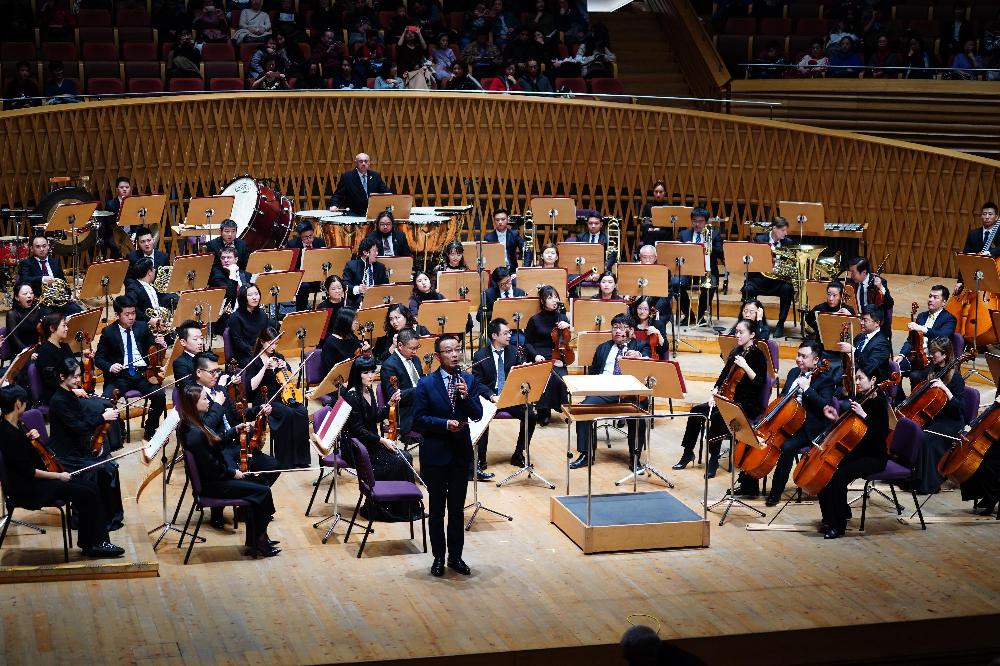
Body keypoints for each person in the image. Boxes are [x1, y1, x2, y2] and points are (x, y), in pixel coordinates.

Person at [0, 385, 124, 558]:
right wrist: (58, 475)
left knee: (91, 487)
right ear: (18, 404)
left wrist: (28, 440)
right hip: (28, 489)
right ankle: (94, 544)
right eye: (25, 402)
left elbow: (22, 457)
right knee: (87, 493)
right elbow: (29, 471)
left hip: (35, 482)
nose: (26, 405)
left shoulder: (14, 426)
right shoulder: (8, 434)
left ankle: (92, 542)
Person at [412, 334, 484, 577]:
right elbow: (418, 419)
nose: (455, 355)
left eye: (457, 349)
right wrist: (444, 424)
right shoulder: (426, 384)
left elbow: (477, 414)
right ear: (438, 356)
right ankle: (438, 557)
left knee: (456, 510)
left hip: (460, 454)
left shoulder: (469, 380)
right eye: (449, 351)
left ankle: (455, 557)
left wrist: (466, 397)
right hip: (435, 454)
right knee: (436, 510)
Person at [179, 383, 280, 556]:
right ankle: (260, 541)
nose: (208, 401)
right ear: (194, 404)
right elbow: (211, 467)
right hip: (213, 485)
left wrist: (233, 431)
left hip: (214, 479)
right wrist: (233, 472)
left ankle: (257, 539)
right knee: (263, 491)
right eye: (204, 399)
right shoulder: (194, 434)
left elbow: (214, 443)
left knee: (261, 483)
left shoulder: (192, 424)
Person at [190, 350, 281, 527]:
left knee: (273, 465)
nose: (216, 375)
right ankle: (218, 511)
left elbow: (237, 415)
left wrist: (258, 410)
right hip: (218, 449)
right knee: (234, 474)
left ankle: (250, 504)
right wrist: (217, 404)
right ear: (199, 373)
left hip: (236, 443)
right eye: (212, 372)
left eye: (218, 371)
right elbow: (206, 428)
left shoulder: (221, 390)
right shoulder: (194, 396)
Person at [674, 320, 767, 477]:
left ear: (752, 335)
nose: (737, 335)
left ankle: (714, 459)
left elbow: (759, 383)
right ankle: (688, 452)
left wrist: (745, 366)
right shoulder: (736, 351)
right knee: (696, 411)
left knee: (717, 417)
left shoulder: (758, 356)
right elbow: (724, 375)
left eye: (741, 332)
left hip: (746, 404)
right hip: (727, 399)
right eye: (736, 332)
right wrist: (715, 392)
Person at [47, 357, 124, 532]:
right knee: (104, 468)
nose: (78, 380)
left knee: (110, 466)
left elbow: (82, 418)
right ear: (62, 377)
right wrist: (102, 417)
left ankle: (109, 518)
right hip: (66, 455)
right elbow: (79, 427)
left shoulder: (68, 394)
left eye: (79, 375)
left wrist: (103, 413)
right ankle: (89, 520)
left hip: (76, 448)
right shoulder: (59, 401)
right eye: (74, 376)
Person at [756, 341, 837, 504]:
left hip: (808, 427)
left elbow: (825, 405)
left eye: (804, 356)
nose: (799, 359)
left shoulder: (825, 379)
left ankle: (776, 492)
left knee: (787, 447)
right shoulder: (794, 372)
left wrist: (807, 389)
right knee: (757, 436)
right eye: (798, 355)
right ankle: (748, 484)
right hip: (787, 422)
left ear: (816, 360)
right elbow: (783, 396)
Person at [342, 354, 419, 521]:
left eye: (372, 372)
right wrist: (382, 440)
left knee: (405, 457)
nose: (370, 376)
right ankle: (386, 508)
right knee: (399, 460)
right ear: (357, 374)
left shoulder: (369, 390)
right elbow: (357, 430)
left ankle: (405, 508)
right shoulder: (352, 396)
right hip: (358, 446)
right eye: (366, 373)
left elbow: (375, 417)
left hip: (371, 441)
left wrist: (390, 404)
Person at [816, 367, 891, 539]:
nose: (856, 382)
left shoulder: (879, 402)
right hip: (858, 451)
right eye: (855, 378)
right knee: (825, 471)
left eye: (860, 378)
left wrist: (864, 415)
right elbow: (852, 429)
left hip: (874, 457)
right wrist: (836, 418)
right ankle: (830, 517)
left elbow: (880, 435)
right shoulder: (861, 398)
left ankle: (838, 525)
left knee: (838, 477)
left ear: (873, 380)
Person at [569, 314, 651, 469]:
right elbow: (593, 373)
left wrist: (639, 356)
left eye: (622, 328)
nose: (618, 331)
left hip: (630, 393)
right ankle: (586, 454)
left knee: (640, 413)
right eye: (615, 328)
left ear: (631, 330)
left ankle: (635, 457)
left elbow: (648, 363)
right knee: (582, 409)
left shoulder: (640, 346)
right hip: (605, 390)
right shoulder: (603, 347)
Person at [94, 295, 168, 440]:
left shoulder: (142, 327)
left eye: (133, 313)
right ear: (117, 315)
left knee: (160, 395)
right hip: (119, 377)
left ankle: (150, 428)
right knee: (105, 400)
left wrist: (161, 344)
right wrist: (110, 366)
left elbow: (154, 349)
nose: (131, 317)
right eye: (127, 314)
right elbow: (99, 359)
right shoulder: (108, 332)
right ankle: (120, 427)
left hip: (142, 375)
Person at [472, 318, 535, 476]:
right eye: (506, 333)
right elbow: (477, 383)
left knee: (531, 415)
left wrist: (525, 371)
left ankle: (519, 454)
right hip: (490, 397)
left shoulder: (515, 352)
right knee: (481, 416)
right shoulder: (480, 355)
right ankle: (480, 459)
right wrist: (492, 396)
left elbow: (520, 378)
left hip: (509, 397)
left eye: (510, 333)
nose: (509, 336)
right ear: (494, 335)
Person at [245, 328, 310, 469]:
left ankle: (300, 458)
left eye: (276, 343)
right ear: (262, 342)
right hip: (264, 398)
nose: (273, 347)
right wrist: (265, 367)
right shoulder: (254, 361)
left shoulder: (279, 356)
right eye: (270, 343)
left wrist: (285, 367)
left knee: (302, 411)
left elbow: (288, 379)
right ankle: (285, 460)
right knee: (287, 413)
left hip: (282, 395)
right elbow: (251, 386)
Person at [908, 337, 966, 495]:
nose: (930, 355)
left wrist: (945, 390)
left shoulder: (955, 377)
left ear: (945, 354)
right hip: (935, 416)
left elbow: (959, 409)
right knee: (912, 432)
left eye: (934, 352)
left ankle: (929, 483)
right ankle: (911, 477)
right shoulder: (931, 370)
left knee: (926, 438)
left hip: (951, 421)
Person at [895, 285, 956, 389]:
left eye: (935, 297)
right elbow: (911, 340)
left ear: (944, 302)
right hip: (917, 357)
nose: (930, 299)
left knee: (915, 376)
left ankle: (915, 399)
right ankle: (899, 398)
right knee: (894, 369)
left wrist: (923, 329)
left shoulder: (949, 319)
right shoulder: (921, 316)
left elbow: (943, 335)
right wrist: (902, 355)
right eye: (930, 296)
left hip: (934, 361)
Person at [524, 285, 570, 425]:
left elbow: (566, 340)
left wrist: (568, 327)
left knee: (560, 377)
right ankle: (544, 412)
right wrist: (535, 356)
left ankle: (563, 407)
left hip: (557, 355)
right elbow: (528, 343)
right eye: (550, 297)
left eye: (556, 297)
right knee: (547, 377)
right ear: (542, 301)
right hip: (540, 355)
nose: (554, 300)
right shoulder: (534, 320)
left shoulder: (562, 318)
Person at [742, 217, 794, 336]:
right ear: (774, 228)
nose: (786, 233)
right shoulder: (759, 239)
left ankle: (780, 323)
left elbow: (791, 263)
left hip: (778, 281)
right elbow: (753, 261)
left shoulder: (788, 242)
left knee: (788, 289)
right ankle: (749, 322)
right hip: (760, 279)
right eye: (783, 230)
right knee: (748, 289)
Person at [673, 208, 722, 327]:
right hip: (688, 271)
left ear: (706, 221)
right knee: (675, 283)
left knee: (710, 286)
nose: (697, 224)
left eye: (700, 221)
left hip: (707, 271)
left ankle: (700, 317)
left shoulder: (715, 234)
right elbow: (677, 253)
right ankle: (689, 315)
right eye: (694, 221)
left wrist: (709, 245)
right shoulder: (684, 234)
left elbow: (722, 253)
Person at [379, 328, 426, 442]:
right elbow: (394, 396)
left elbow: (421, 382)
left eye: (417, 347)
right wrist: (422, 389)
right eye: (412, 348)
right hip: (406, 413)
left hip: (421, 405)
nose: (415, 352)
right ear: (400, 345)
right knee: (439, 424)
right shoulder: (389, 366)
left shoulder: (415, 359)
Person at [17, 236, 83, 316]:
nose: (42, 249)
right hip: (41, 301)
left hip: (59, 299)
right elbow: (24, 280)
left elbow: (63, 281)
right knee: (55, 318)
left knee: (79, 312)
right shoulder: (26, 263)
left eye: (44, 246)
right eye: (38, 247)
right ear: (31, 248)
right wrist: (43, 279)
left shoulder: (55, 262)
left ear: (48, 246)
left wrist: (69, 294)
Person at [837, 306, 892, 384]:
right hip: (854, 378)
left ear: (877, 323)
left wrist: (853, 351)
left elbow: (869, 366)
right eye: (861, 319)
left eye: (865, 320)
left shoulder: (883, 344)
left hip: (871, 383)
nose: (861, 323)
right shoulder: (860, 336)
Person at [227, 285, 277, 367]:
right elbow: (238, 342)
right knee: (262, 366)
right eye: (250, 295)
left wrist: (267, 349)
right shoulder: (235, 317)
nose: (254, 297)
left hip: (263, 350)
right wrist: (256, 351)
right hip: (245, 354)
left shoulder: (262, 314)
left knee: (281, 363)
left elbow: (266, 335)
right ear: (243, 298)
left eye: (256, 294)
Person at [845, 257, 893, 340]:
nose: (851, 276)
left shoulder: (879, 282)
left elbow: (889, 304)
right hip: (856, 319)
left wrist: (881, 288)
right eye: (850, 272)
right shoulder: (850, 282)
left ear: (864, 272)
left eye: (853, 273)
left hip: (873, 322)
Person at [956, 202, 1000, 291]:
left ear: (996, 217)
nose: (987, 217)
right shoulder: (973, 234)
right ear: (981, 216)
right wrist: (960, 281)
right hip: (978, 275)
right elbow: (966, 258)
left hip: (996, 274)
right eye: (984, 214)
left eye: (990, 214)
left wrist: (990, 252)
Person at [285, 220, 327, 311]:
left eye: (310, 236)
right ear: (300, 236)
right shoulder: (292, 244)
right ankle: (301, 311)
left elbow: (324, 259)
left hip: (317, 275)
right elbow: (290, 266)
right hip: (301, 277)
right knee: (304, 286)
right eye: (305, 237)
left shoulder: (320, 242)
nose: (308, 240)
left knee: (332, 281)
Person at [210, 246, 254, 329]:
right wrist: (232, 273)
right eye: (223, 258)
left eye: (229, 257)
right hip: (228, 316)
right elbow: (231, 294)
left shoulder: (246, 275)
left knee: (272, 323)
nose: (226, 260)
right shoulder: (217, 278)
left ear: (236, 259)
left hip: (247, 312)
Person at [125, 258, 178, 325]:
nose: (155, 270)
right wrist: (149, 320)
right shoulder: (133, 288)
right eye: (153, 268)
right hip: (146, 326)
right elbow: (131, 308)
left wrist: (176, 298)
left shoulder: (152, 286)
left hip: (160, 323)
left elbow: (162, 298)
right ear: (149, 272)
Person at [320, 307, 370, 378]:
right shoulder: (330, 343)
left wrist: (365, 351)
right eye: (354, 320)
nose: (357, 322)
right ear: (345, 321)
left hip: (353, 376)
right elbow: (329, 372)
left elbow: (360, 362)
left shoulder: (352, 337)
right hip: (337, 380)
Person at [343, 237, 390, 309]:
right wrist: (358, 289)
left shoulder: (381, 267)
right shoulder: (352, 265)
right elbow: (345, 284)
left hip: (377, 302)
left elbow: (385, 286)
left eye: (377, 251)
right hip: (357, 303)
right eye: (374, 251)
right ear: (365, 252)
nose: (377, 253)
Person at [5, 283, 44, 356]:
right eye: (25, 294)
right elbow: (14, 338)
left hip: (38, 348)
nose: (29, 296)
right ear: (17, 297)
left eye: (31, 293)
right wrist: (27, 351)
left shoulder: (37, 309)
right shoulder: (12, 314)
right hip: (21, 351)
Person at [102, 176, 133, 256]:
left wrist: (135, 233)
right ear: (117, 189)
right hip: (115, 234)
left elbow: (138, 222)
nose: (125, 189)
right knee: (116, 245)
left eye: (127, 187)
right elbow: (109, 225)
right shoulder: (110, 204)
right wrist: (122, 235)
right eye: (122, 187)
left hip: (131, 232)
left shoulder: (133, 203)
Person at [629, 296, 665, 360]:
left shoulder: (658, 324)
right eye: (639, 308)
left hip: (651, 360)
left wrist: (658, 334)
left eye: (646, 309)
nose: (642, 312)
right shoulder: (631, 324)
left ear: (650, 310)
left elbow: (664, 349)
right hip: (632, 358)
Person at [638, 180, 672, 246]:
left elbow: (671, 225)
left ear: (664, 193)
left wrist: (659, 229)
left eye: (660, 192)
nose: (658, 194)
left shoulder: (668, 207)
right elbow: (644, 222)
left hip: (664, 235)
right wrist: (649, 228)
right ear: (653, 193)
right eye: (656, 192)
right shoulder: (648, 206)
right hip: (650, 235)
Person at [172, 320, 204, 388]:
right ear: (183, 342)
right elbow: (189, 389)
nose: (200, 342)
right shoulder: (180, 364)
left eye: (201, 338)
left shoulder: (205, 357)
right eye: (195, 339)